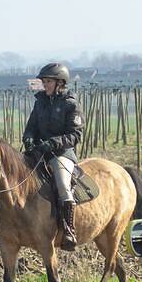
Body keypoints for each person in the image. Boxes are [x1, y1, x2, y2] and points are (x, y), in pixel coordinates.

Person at [23, 63, 85, 250]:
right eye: (44, 81)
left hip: (61, 154)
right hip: (39, 152)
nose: (45, 85)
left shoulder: (71, 104)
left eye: (48, 81)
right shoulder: (39, 102)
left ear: (60, 83)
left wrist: (53, 143)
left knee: (63, 186)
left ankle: (68, 230)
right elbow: (31, 127)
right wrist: (28, 139)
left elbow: (75, 135)